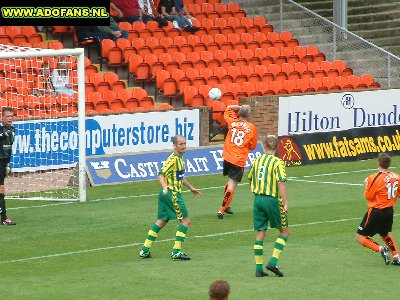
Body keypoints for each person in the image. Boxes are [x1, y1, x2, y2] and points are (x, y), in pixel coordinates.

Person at [139, 135, 201, 260]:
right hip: (172, 194)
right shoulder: (173, 159)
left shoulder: (180, 159)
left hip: (166, 194)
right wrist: (165, 187)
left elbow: (180, 177)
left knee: (162, 221)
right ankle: (176, 252)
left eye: (184, 143)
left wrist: (191, 188)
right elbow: (161, 174)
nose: (183, 146)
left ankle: (145, 250)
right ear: (174, 145)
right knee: (186, 221)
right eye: (180, 144)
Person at [248, 135, 289, 277]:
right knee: (284, 232)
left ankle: (259, 269)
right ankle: (273, 262)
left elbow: (250, 179)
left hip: (258, 199)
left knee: (260, 232)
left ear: (264, 146)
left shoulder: (257, 160)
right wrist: (285, 202)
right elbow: (281, 183)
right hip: (272, 200)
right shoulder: (278, 162)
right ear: (276, 147)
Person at [356, 153, 400, 265]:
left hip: (376, 211)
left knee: (360, 237)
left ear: (378, 163)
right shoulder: (396, 176)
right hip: (389, 211)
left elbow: (368, 196)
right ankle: (396, 257)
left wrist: (366, 185)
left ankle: (381, 249)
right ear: (389, 164)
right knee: (384, 234)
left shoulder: (374, 178)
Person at [217, 104, 257, 219]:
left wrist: (239, 107)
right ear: (249, 115)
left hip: (227, 156)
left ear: (239, 113)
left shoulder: (232, 121)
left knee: (229, 181)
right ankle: (221, 210)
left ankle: (226, 205)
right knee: (232, 185)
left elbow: (228, 108)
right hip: (238, 159)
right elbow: (253, 146)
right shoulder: (251, 127)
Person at [0, 107, 16, 226]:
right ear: (2, 117)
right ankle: (3, 218)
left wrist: (8, 164)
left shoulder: (13, 131)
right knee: (1, 189)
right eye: (7, 116)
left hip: (4, 162)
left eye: (11, 116)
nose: (10, 118)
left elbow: (9, 149)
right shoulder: (1, 129)